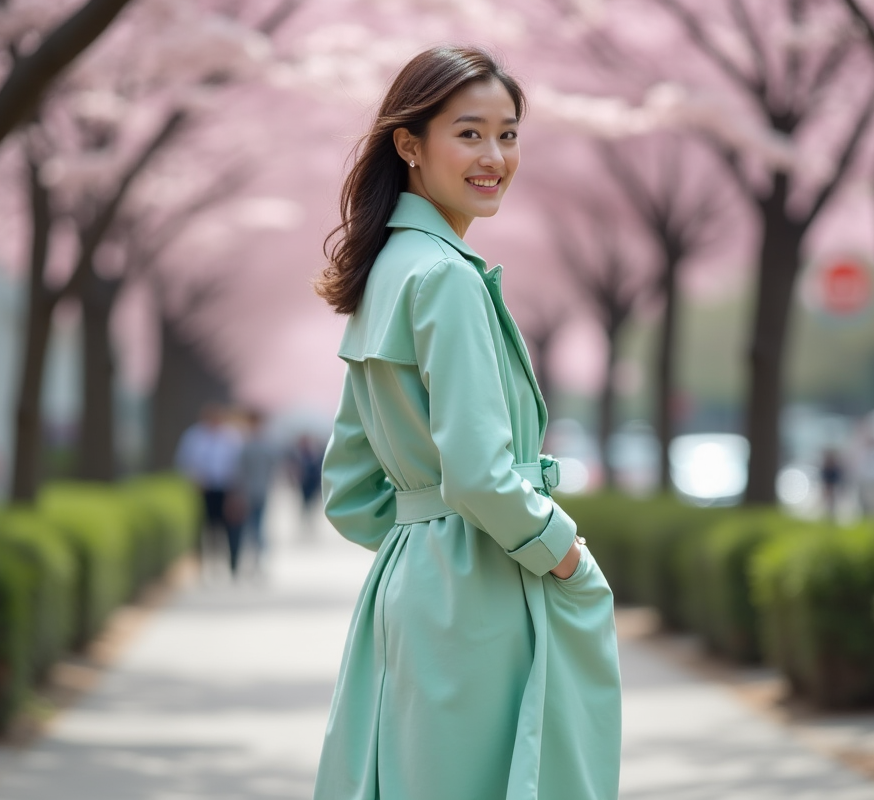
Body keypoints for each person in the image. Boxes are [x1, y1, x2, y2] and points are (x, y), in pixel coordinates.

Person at [312, 46, 621, 800]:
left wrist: (421, 541)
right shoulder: (445, 278)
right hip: (481, 584)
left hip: (413, 589)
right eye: (470, 133)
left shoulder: (384, 271)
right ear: (409, 145)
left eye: (509, 134)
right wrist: (563, 552)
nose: (495, 157)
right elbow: (480, 474)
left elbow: (349, 489)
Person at [174, 405, 243, 572]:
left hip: (227, 489)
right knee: (208, 528)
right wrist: (194, 479)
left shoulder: (232, 437)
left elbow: (240, 464)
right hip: (204, 489)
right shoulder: (194, 436)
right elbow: (183, 461)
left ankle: (231, 561)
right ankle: (208, 563)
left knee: (230, 527)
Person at [230, 407, 281, 576]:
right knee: (256, 526)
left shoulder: (247, 445)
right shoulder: (264, 445)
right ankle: (257, 560)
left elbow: (239, 471)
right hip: (257, 490)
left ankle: (255, 560)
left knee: (252, 527)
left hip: (252, 491)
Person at [291, 433, 325, 538]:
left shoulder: (314, 453)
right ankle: (306, 524)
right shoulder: (299, 454)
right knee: (305, 504)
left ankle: (309, 524)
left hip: (312, 483)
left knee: (311, 505)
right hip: (304, 484)